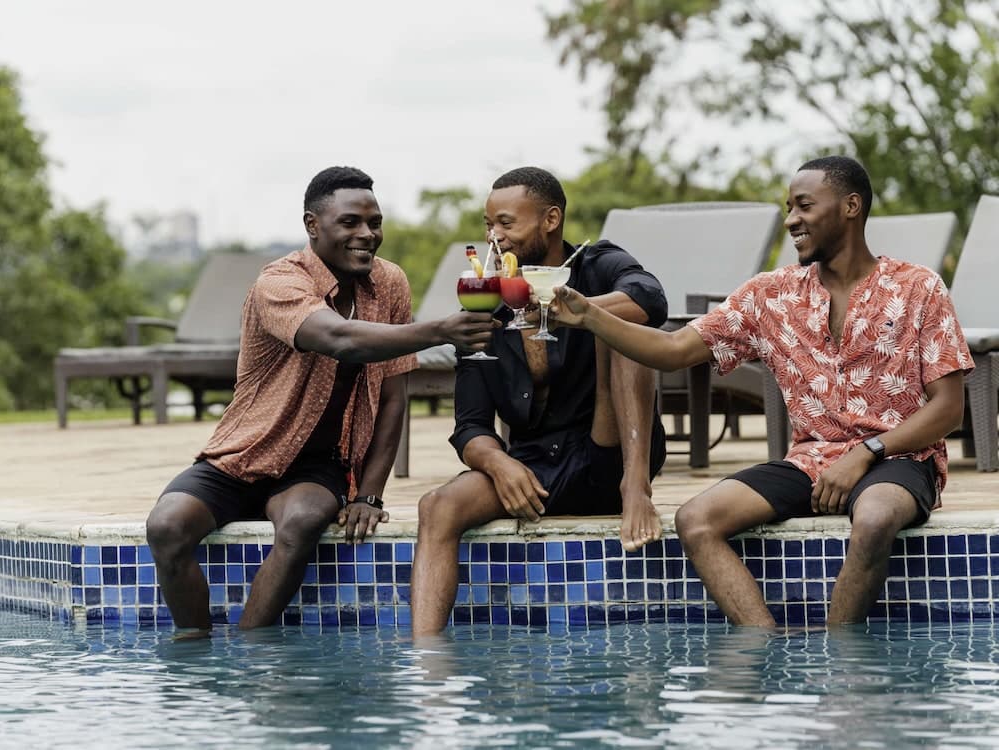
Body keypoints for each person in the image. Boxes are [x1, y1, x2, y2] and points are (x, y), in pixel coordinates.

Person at [550, 156, 973, 627]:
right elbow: (672, 350)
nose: (791, 219)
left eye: (804, 206)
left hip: (899, 457)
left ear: (851, 206)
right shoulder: (770, 295)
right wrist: (589, 316)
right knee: (697, 520)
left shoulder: (918, 287)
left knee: (874, 520)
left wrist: (866, 453)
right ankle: (765, 647)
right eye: (789, 208)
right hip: (811, 461)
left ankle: (840, 658)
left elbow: (948, 409)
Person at [146, 166, 497, 634]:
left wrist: (369, 494)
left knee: (303, 521)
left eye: (375, 223)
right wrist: (441, 330)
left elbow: (393, 397)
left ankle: (251, 650)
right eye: (350, 222)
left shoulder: (389, 283)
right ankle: (194, 648)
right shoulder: (279, 282)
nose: (367, 234)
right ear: (313, 225)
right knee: (166, 526)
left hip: (319, 467)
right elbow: (339, 339)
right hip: (245, 454)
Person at [410, 166, 669, 636]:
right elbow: (470, 426)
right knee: (437, 506)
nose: (494, 236)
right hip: (533, 471)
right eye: (489, 224)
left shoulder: (596, 264)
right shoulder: (486, 307)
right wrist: (499, 464)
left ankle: (637, 491)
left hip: (609, 457)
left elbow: (650, 299)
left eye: (506, 223)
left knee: (626, 328)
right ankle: (426, 657)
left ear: (550, 220)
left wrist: (578, 312)